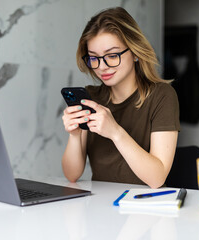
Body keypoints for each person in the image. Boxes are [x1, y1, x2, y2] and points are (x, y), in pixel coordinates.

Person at [61, 7, 180, 188]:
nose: (102, 67)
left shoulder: (162, 96)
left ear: (134, 53)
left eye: (112, 55)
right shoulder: (91, 97)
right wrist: (75, 136)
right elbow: (72, 175)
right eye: (94, 58)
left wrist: (115, 132)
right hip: (99, 205)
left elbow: (157, 179)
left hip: (143, 207)